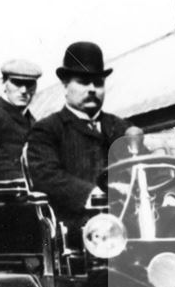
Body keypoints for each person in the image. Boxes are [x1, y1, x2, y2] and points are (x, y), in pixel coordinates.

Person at [25, 42, 130, 224]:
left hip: (126, 221)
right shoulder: (47, 129)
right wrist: (93, 194)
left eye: (98, 83)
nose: (91, 89)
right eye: (83, 82)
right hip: (75, 226)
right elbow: (48, 176)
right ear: (65, 85)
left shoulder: (121, 128)